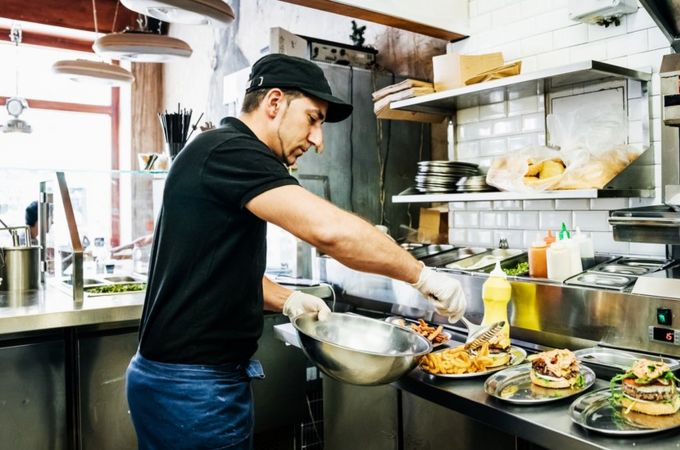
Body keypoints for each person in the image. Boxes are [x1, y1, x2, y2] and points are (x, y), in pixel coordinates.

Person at [125, 53, 467, 449]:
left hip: (186, 384)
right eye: (313, 119)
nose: (318, 141)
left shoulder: (219, 151)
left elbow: (216, 271)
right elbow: (330, 233)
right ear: (274, 103)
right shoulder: (232, 151)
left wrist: (287, 300)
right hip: (193, 390)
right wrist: (421, 275)